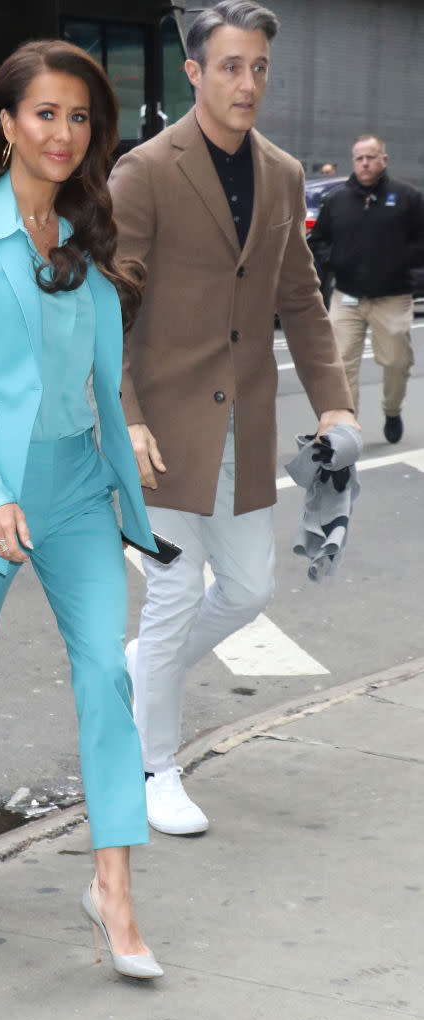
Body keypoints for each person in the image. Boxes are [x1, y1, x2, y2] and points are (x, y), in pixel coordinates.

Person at [0, 40, 163, 980]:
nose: (62, 133)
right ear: (3, 123)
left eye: (79, 116)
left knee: (106, 674)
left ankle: (114, 889)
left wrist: (126, 431)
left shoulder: (89, 233)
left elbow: (95, 369)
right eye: (44, 113)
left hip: (78, 482)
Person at [108, 0, 358, 836]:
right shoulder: (143, 170)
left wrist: (335, 402)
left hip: (242, 425)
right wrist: (127, 416)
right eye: (230, 66)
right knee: (176, 587)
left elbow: (301, 300)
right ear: (193, 72)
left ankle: (141, 672)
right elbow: (111, 308)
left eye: (258, 68)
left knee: (249, 587)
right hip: (162, 428)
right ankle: (152, 766)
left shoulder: (283, 174)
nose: (247, 83)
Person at [309, 134, 424, 443]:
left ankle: (392, 410)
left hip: (392, 297)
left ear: (383, 160)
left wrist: (411, 272)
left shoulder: (407, 198)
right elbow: (318, 240)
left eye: (371, 157)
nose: (364, 163)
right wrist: (333, 262)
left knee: (397, 362)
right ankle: (346, 435)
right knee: (341, 367)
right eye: (359, 158)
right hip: (346, 297)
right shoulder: (337, 200)